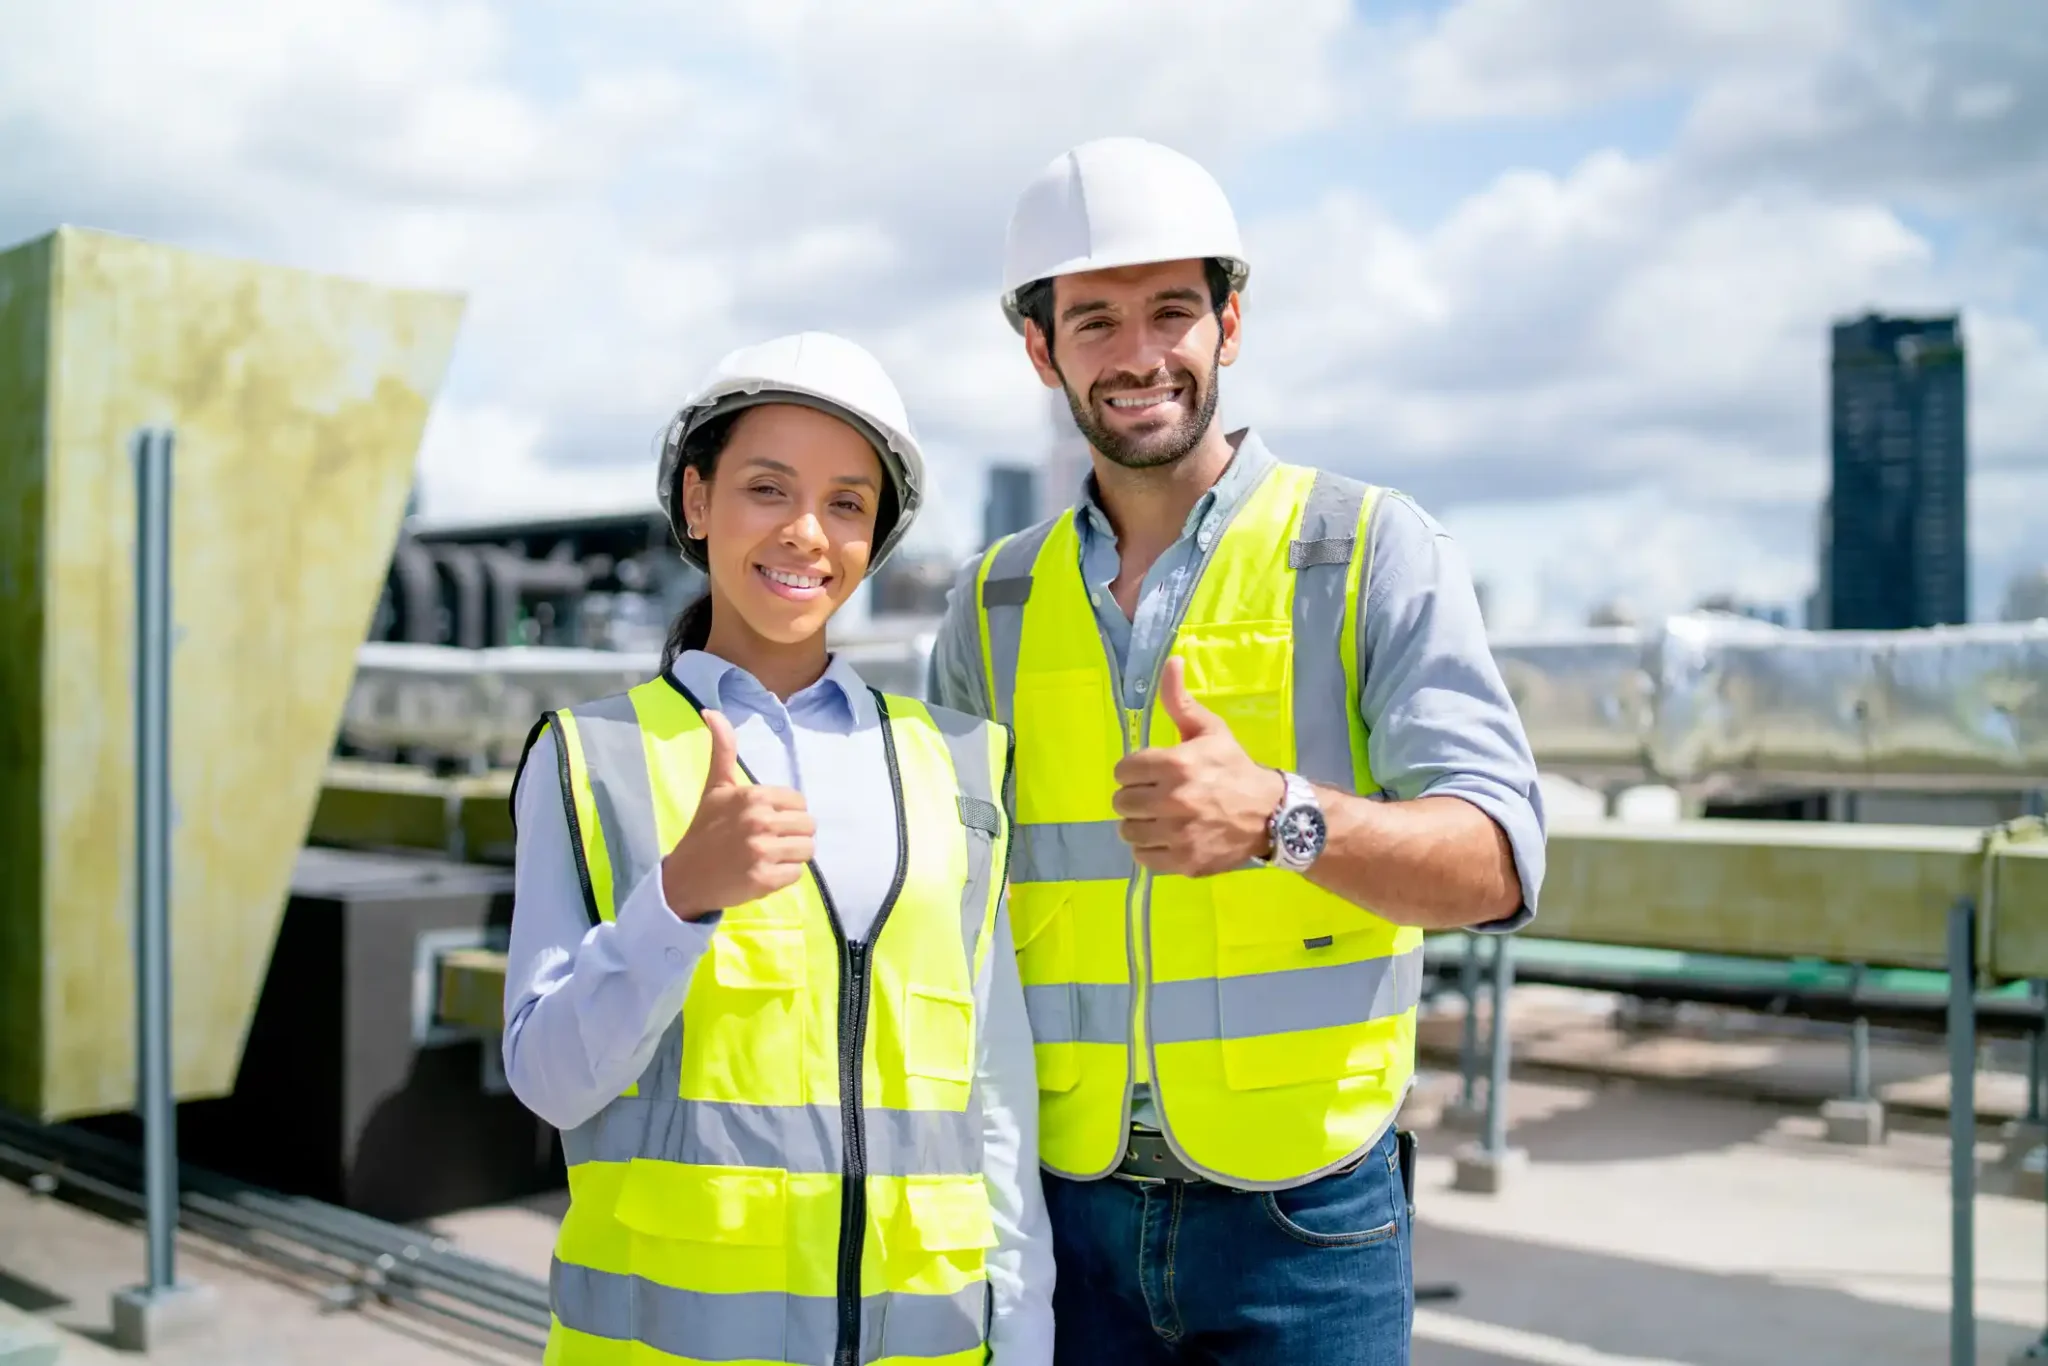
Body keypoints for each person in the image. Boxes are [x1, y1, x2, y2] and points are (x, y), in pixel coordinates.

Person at [927, 137, 1547, 1365]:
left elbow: (1499, 860)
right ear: (1041, 350)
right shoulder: (988, 605)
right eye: (1094, 321)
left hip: (1302, 1220)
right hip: (1062, 1212)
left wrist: (1280, 816)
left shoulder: (1369, 547)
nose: (1139, 353)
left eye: (1172, 311)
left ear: (1230, 323)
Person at [503, 332, 1054, 1366]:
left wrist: (1023, 1334)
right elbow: (546, 1078)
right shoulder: (592, 757)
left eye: (846, 503)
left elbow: (994, 1088)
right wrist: (675, 901)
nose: (807, 532)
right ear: (698, 502)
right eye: (768, 488)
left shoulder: (960, 764)